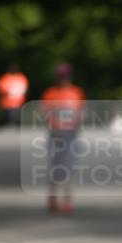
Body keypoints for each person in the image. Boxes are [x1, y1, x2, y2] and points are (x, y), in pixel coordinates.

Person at [40, 63, 86, 214]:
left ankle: (67, 201)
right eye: (60, 77)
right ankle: (52, 198)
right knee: (55, 167)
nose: (62, 80)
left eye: (65, 76)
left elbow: (81, 113)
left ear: (69, 77)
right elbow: (44, 115)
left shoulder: (76, 92)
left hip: (70, 135)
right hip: (55, 134)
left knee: (68, 168)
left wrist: (76, 126)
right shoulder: (50, 93)